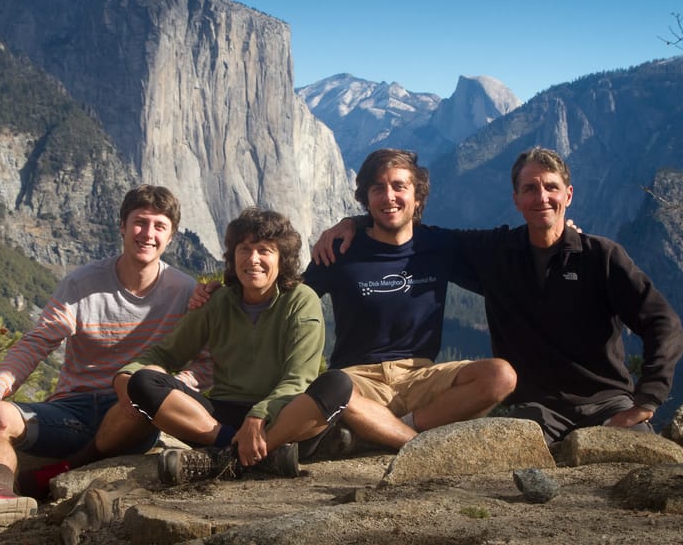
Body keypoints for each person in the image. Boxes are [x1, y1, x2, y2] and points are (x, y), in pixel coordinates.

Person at [315, 147, 683, 443]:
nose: (542, 197)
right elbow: (403, 226)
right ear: (516, 199)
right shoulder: (496, 253)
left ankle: (394, 432)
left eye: (551, 187)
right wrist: (356, 222)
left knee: (639, 465)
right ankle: (400, 435)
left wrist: (647, 399)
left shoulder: (602, 257)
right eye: (530, 189)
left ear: (568, 195)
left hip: (608, 403)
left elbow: (662, 322)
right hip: (537, 411)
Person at [191, 150, 516, 453]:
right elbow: (285, 301)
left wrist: (564, 231)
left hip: (421, 376)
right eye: (377, 188)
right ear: (366, 199)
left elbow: (506, 251)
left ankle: (389, 431)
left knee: (500, 376)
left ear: (417, 196)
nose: (389, 196)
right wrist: (228, 290)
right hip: (356, 382)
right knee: (331, 390)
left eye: (399, 186)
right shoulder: (340, 251)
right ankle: (413, 445)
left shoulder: (441, 246)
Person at [0, 185, 212, 532]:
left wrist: (167, 391)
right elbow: (38, 342)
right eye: (140, 222)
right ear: (122, 226)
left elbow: (205, 362)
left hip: (132, 416)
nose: (148, 234)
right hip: (71, 410)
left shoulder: (184, 291)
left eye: (159, 226)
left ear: (171, 237)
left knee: (140, 395)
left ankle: (68, 468)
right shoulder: (82, 284)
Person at [114, 207, 352, 484]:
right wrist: (126, 374)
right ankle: (257, 454)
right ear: (233, 255)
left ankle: (224, 458)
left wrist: (258, 416)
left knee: (338, 384)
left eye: (264, 250)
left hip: (282, 415)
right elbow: (166, 354)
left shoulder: (301, 300)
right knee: (143, 382)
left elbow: (299, 378)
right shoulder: (218, 301)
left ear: (282, 258)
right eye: (244, 249)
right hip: (220, 420)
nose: (253, 259)